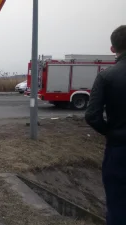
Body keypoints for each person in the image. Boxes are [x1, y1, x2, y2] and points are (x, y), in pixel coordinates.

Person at [85, 25, 126, 225]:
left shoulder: (106, 76)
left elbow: (92, 115)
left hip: (119, 150)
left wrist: (111, 132)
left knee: (118, 206)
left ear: (112, 49)